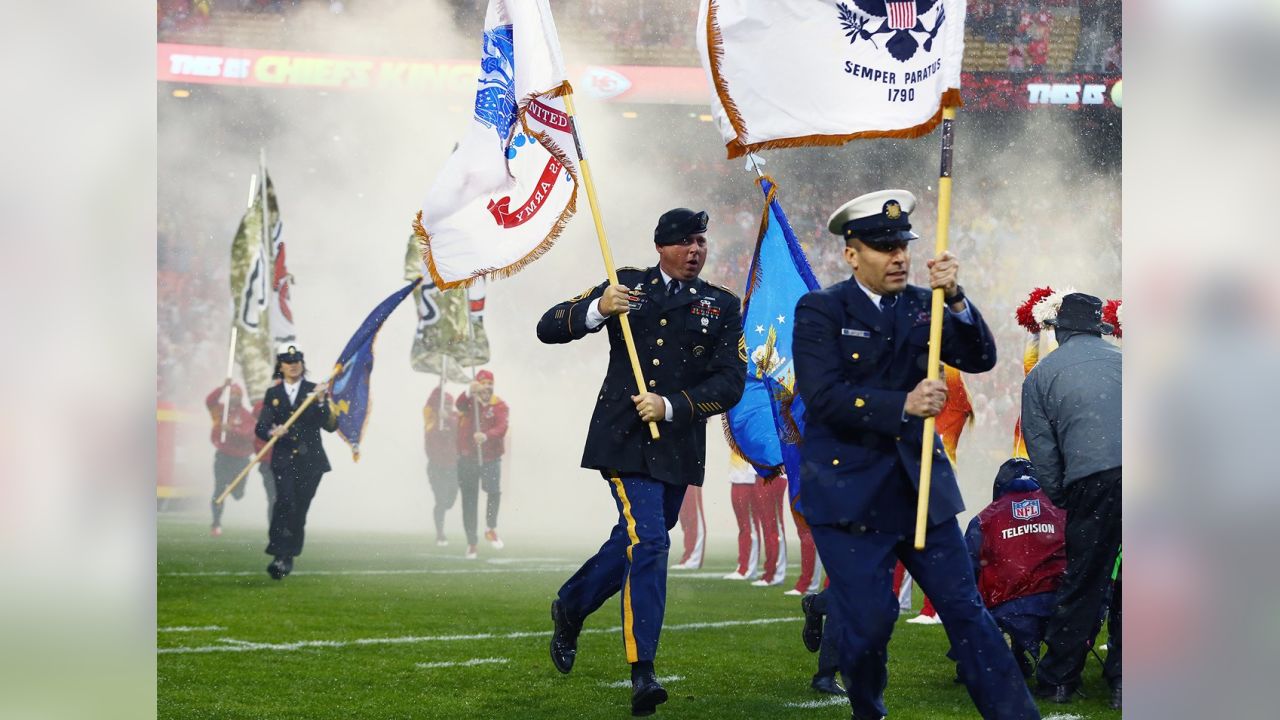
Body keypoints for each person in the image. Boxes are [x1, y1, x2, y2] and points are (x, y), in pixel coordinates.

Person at [792, 189, 1040, 720]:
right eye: (883, 246)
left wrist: (954, 298)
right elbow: (822, 395)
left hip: (919, 485)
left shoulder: (921, 305)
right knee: (869, 623)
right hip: (849, 496)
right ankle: (868, 709)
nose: (899, 256)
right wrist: (901, 404)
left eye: (903, 243)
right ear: (851, 253)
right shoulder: (820, 309)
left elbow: (979, 356)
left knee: (968, 615)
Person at [538, 207, 745, 717]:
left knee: (634, 539)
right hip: (625, 439)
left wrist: (672, 405)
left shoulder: (721, 305)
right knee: (650, 541)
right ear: (662, 246)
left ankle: (571, 604)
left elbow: (729, 383)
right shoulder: (624, 284)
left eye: (702, 241)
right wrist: (599, 310)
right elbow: (547, 327)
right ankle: (643, 669)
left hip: (676, 442)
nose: (696, 250)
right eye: (686, 241)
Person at [1021, 292, 1122, 708]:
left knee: (1083, 581)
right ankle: (1125, 682)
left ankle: (1059, 679)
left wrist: (1064, 493)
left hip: (1092, 481)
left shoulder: (1042, 375)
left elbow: (1041, 450)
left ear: (1060, 331)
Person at [958, 458, 1067, 681]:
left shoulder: (983, 519)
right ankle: (1062, 674)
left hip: (1007, 606)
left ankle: (992, 649)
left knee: (965, 598)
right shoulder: (1062, 510)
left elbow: (965, 573)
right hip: (1061, 606)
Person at [254, 344, 338, 580]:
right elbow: (260, 427)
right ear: (280, 365)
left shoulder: (315, 391)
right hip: (283, 460)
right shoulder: (274, 395)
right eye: (288, 362)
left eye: (297, 361)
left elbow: (330, 426)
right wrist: (273, 431)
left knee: (299, 508)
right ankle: (280, 554)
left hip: (311, 461)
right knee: (284, 503)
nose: (293, 365)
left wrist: (321, 401)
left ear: (302, 364)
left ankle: (289, 554)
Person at [456, 369, 509, 559]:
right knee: (469, 500)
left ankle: (490, 527)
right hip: (467, 458)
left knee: (493, 491)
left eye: (489, 385)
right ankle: (471, 542)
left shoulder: (500, 405)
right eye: (482, 385)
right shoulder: (469, 403)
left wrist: (486, 436)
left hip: (491, 458)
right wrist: (468, 391)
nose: (486, 389)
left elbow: (502, 427)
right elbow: (459, 404)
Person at [205, 383, 255, 536]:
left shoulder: (246, 415)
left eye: (236, 394)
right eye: (231, 393)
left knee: (238, 494)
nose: (233, 397)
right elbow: (209, 401)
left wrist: (232, 430)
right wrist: (222, 387)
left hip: (241, 459)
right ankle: (216, 522)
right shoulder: (221, 410)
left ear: (240, 397)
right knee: (219, 489)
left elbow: (249, 434)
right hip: (223, 455)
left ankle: (235, 489)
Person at [424, 385, 460, 547]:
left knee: (450, 501)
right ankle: (440, 533)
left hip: (453, 466)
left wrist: (447, 418)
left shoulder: (454, 418)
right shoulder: (431, 419)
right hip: (436, 467)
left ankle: (441, 529)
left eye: (448, 405)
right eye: (443, 405)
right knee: (441, 500)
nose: (446, 408)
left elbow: (459, 428)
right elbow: (430, 404)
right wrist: (440, 386)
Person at [723, 450, 762, 581]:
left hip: (748, 476)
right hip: (736, 474)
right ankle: (744, 566)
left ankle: (748, 569)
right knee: (743, 526)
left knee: (749, 524)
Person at [671, 485, 706, 569]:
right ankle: (688, 556)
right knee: (684, 515)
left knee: (691, 511)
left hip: (689, 475)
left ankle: (693, 558)